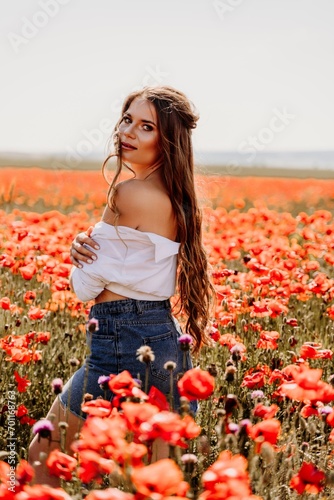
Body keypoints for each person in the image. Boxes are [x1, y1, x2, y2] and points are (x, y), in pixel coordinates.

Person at [28, 85, 215, 485]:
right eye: (128, 119)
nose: (128, 132)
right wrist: (93, 248)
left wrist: (80, 252)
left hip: (119, 339)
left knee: (42, 453)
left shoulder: (128, 193)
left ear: (167, 140)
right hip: (162, 338)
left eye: (146, 126)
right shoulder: (175, 196)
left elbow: (84, 286)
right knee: (154, 481)